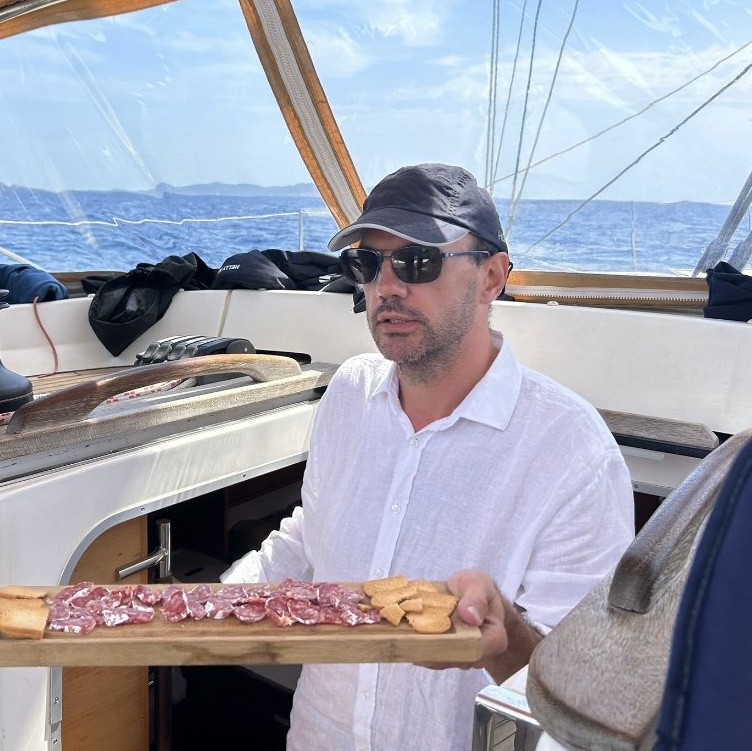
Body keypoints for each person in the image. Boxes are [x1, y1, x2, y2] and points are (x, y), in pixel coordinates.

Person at [221, 163, 634, 750]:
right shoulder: (348, 394)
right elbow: (312, 537)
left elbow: (581, 698)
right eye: (367, 264)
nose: (387, 286)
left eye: (419, 262)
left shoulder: (569, 449)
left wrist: (506, 634)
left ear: (492, 276)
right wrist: (205, 611)